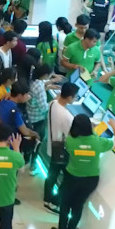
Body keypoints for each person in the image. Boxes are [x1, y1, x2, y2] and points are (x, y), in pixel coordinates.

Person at [52, 114, 115, 229]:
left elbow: (75, 142)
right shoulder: (98, 142)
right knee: (78, 206)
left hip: (72, 177)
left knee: (65, 204)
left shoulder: (70, 141)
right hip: (90, 180)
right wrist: (114, 127)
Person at [43, 82, 77, 212]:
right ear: (69, 97)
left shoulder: (53, 103)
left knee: (51, 175)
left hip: (52, 145)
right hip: (62, 150)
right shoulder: (67, 116)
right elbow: (72, 135)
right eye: (74, 97)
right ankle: (54, 202)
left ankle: (47, 198)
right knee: (68, 179)